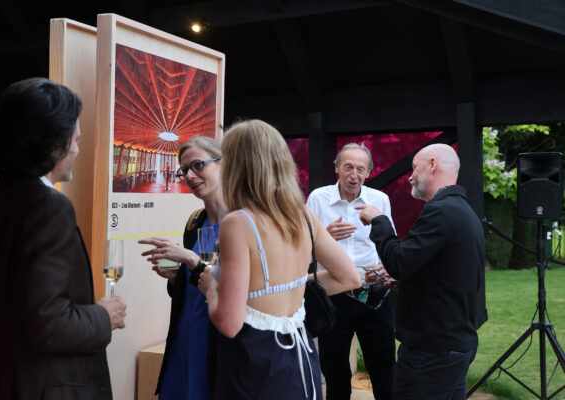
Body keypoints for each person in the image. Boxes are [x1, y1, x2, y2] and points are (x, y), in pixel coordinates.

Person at [0, 77, 127, 399]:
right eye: (75, 139)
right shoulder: (48, 206)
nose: (78, 149)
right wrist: (104, 316)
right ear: (53, 143)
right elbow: (48, 324)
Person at [197, 119, 361, 399]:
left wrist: (211, 289)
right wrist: (290, 285)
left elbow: (229, 323)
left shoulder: (238, 223)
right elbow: (350, 277)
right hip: (301, 360)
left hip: (254, 365)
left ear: (235, 166)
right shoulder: (303, 215)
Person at [357, 143, 485, 399]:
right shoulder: (461, 210)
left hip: (433, 351)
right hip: (451, 344)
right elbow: (444, 272)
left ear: (433, 165)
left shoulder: (441, 211)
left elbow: (399, 262)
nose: (410, 176)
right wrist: (405, 280)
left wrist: (379, 220)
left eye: (414, 168)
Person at [138, 136, 227, 400]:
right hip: (183, 338)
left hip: (218, 341)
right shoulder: (194, 222)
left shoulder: (242, 221)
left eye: (198, 165)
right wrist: (176, 278)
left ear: (223, 164)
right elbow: (194, 285)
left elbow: (244, 292)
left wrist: (191, 261)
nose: (189, 175)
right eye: (184, 170)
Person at [306, 143, 396, 400]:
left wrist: (386, 266)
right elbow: (301, 247)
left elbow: (390, 244)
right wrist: (325, 237)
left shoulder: (380, 200)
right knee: (334, 373)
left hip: (374, 295)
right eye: (348, 167)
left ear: (368, 172)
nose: (354, 174)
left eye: (360, 168)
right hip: (333, 295)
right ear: (337, 169)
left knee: (384, 370)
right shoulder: (317, 198)